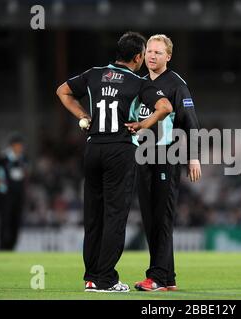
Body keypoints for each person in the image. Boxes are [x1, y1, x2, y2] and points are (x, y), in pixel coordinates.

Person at [56, 31, 173, 293]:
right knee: (115, 216)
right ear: (138, 57)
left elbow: (62, 91)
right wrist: (143, 124)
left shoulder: (93, 74)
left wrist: (83, 115)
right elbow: (165, 107)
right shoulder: (138, 83)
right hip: (119, 151)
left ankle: (91, 276)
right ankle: (105, 279)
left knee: (93, 216)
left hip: (93, 148)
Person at [131, 34, 202, 291]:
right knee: (151, 218)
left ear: (168, 57)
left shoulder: (176, 85)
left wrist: (193, 157)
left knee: (162, 217)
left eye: (158, 52)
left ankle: (157, 277)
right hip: (143, 157)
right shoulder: (139, 84)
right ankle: (167, 277)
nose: (152, 55)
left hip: (164, 156)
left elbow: (191, 123)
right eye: (149, 51)